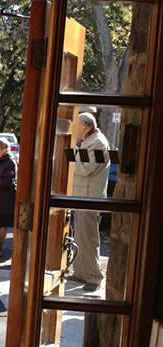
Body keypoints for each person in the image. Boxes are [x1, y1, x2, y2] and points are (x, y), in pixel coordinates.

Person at [68, 112, 110, 292]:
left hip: (89, 197)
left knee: (89, 239)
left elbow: (86, 170)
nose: (74, 129)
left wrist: (71, 158)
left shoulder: (98, 143)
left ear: (84, 126)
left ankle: (94, 276)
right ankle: (81, 273)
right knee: (80, 237)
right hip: (81, 196)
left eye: (76, 125)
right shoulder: (89, 141)